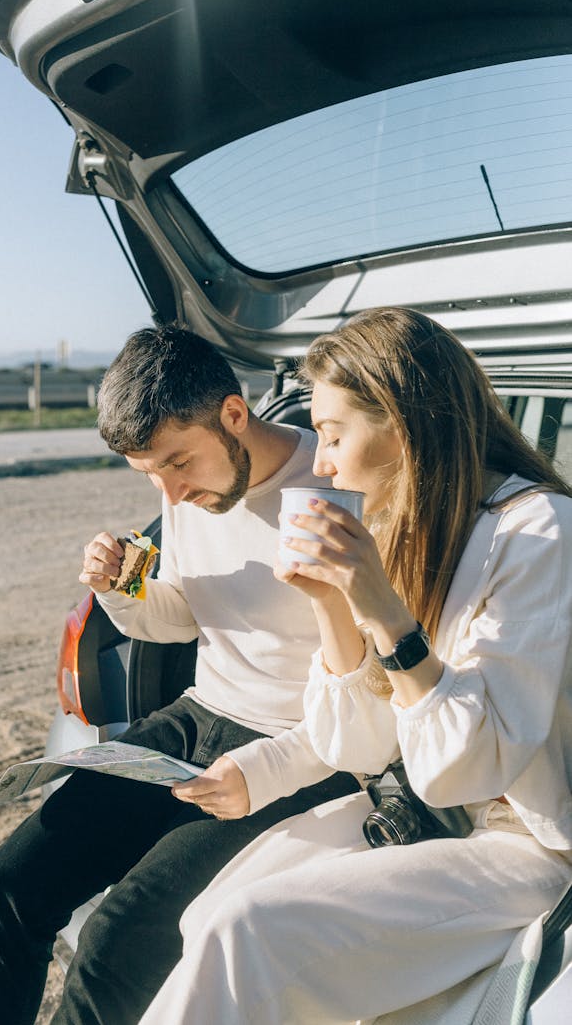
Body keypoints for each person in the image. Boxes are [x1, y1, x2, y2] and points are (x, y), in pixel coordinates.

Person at [139, 306, 572, 1025]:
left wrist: (383, 609)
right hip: (424, 812)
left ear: (404, 424)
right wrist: (330, 606)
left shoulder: (538, 532)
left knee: (246, 930)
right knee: (209, 914)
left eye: (334, 435)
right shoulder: (400, 526)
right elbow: (356, 744)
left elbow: (470, 765)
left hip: (528, 844)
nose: (324, 461)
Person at [0, 325, 357, 1025]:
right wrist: (122, 591)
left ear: (232, 413)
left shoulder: (340, 485)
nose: (169, 489)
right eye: (148, 474)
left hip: (301, 749)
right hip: (199, 715)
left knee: (116, 941)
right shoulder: (189, 486)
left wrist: (265, 767)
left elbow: (369, 704)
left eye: (177, 462)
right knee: (11, 882)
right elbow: (185, 618)